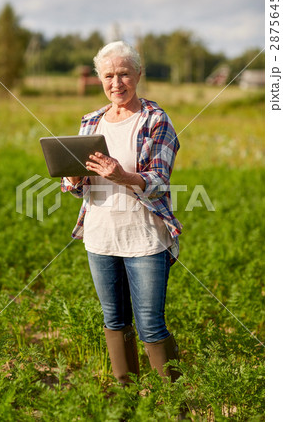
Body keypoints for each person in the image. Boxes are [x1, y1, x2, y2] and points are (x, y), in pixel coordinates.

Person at [61, 41, 183, 385]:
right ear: (100, 78)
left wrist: (124, 177)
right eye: (109, 75)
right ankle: (127, 403)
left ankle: (174, 406)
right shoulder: (90, 122)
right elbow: (79, 186)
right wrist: (73, 178)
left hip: (144, 238)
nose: (117, 82)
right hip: (100, 236)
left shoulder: (156, 121)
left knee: (150, 324)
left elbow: (159, 183)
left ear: (138, 75)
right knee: (114, 321)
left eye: (124, 74)